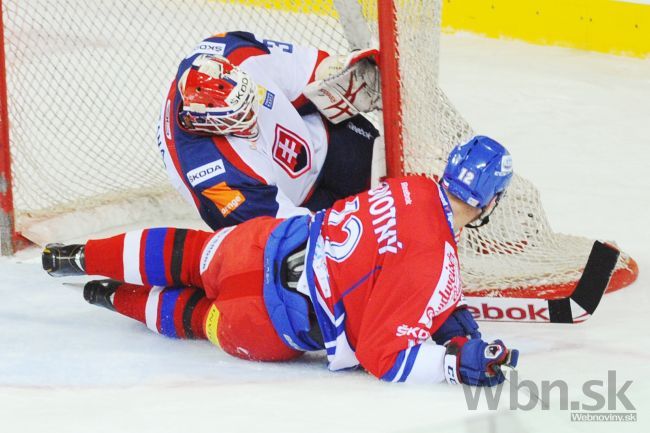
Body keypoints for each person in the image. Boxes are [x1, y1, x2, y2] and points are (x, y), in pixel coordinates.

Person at [44, 136, 517, 386]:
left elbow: (387, 261)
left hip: (252, 247)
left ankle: (79, 256)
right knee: (199, 318)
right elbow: (386, 360)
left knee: (190, 256)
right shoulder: (438, 269)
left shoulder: (407, 185)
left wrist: (443, 314)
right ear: (490, 202)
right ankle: (107, 296)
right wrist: (457, 360)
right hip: (259, 327)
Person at [157, 31, 381, 231]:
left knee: (390, 170)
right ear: (213, 127)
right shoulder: (216, 179)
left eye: (250, 100)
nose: (253, 115)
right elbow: (288, 234)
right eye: (241, 116)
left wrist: (335, 71)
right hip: (298, 206)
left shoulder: (232, 52)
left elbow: (302, 70)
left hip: (323, 141)